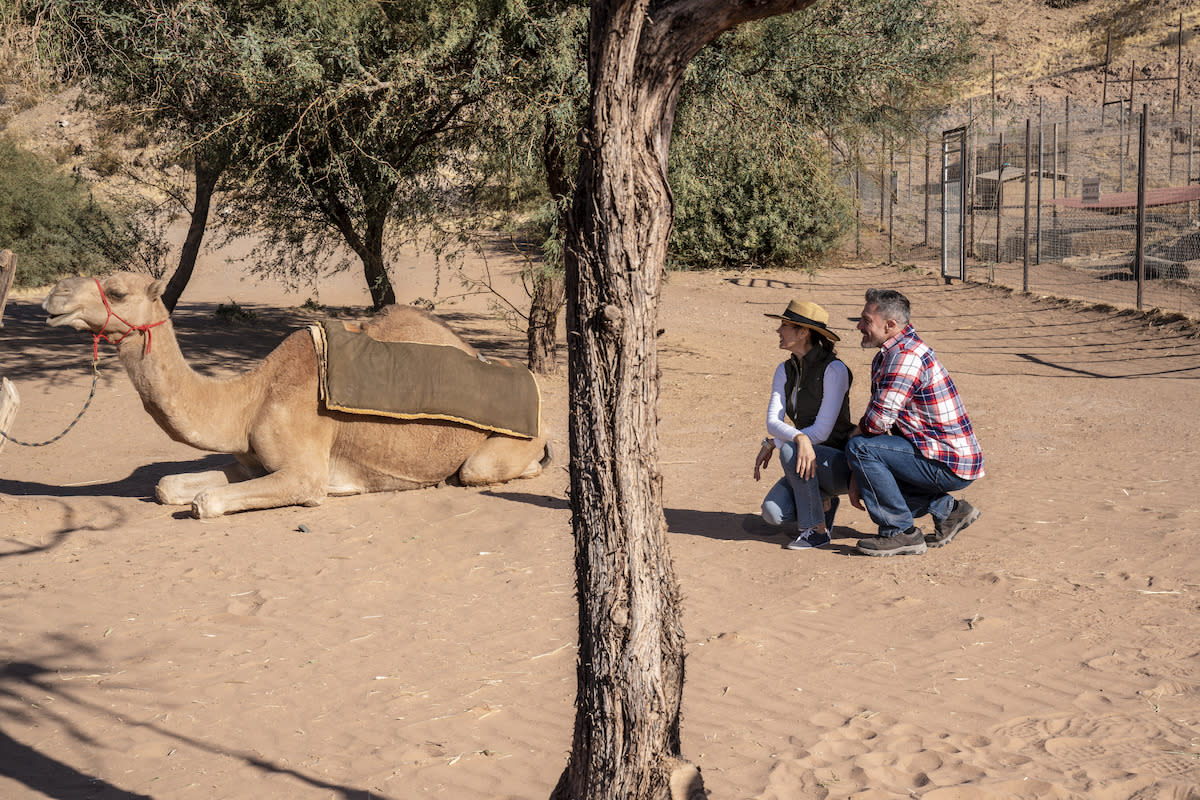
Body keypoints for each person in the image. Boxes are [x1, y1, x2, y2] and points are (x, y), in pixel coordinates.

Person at [846, 288, 983, 557]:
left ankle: (900, 533)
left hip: (947, 461)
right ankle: (950, 512)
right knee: (868, 463)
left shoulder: (904, 357)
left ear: (890, 325)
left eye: (866, 320)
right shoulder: (892, 352)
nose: (859, 326)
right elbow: (882, 422)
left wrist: (852, 445)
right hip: (937, 454)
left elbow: (877, 421)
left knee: (862, 449)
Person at [754, 299, 855, 550]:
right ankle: (823, 503)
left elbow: (821, 432)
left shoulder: (835, 369)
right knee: (772, 514)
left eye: (785, 325)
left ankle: (816, 531)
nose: (778, 331)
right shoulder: (784, 369)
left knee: (791, 449)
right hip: (805, 463)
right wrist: (794, 439)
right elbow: (772, 421)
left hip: (838, 464)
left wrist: (780, 442)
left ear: (803, 332)